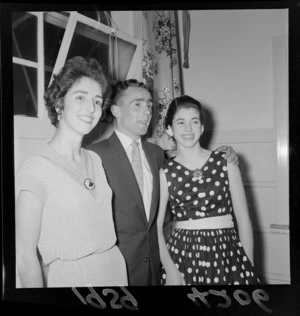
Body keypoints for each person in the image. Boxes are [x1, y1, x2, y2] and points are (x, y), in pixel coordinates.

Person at [87, 80, 239, 286]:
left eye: (149, 106)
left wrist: (224, 154)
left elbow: (189, 162)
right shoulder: (94, 155)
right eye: (138, 105)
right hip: (117, 271)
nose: (147, 112)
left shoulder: (156, 154)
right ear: (116, 110)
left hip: (158, 270)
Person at [15, 56, 128, 288]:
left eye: (97, 101)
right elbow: (25, 257)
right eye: (80, 98)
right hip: (72, 280)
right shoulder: (36, 168)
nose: (91, 108)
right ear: (59, 103)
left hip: (114, 272)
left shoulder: (95, 160)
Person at [157, 95, 260, 285]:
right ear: (169, 129)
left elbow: (244, 219)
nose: (188, 129)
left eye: (194, 122)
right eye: (180, 122)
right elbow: (156, 228)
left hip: (227, 254)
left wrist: (248, 265)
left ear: (202, 127)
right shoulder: (166, 173)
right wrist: (170, 270)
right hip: (183, 256)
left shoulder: (226, 163)